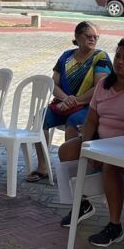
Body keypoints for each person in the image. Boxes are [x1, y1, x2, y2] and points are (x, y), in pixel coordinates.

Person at [52, 38, 124, 246]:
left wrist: (104, 153)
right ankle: (83, 204)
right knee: (66, 151)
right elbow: (91, 120)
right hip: (103, 143)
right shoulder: (104, 84)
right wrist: (88, 146)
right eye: (118, 56)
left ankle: (115, 226)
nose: (120, 61)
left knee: (110, 166)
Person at [29, 21, 112, 182]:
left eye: (96, 37)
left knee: (73, 123)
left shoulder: (100, 57)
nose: (93, 39)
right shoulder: (66, 56)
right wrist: (66, 99)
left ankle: (72, 172)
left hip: (89, 107)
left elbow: (99, 87)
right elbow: (54, 84)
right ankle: (43, 166)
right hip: (63, 104)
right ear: (77, 36)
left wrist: (74, 101)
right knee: (39, 119)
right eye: (88, 36)